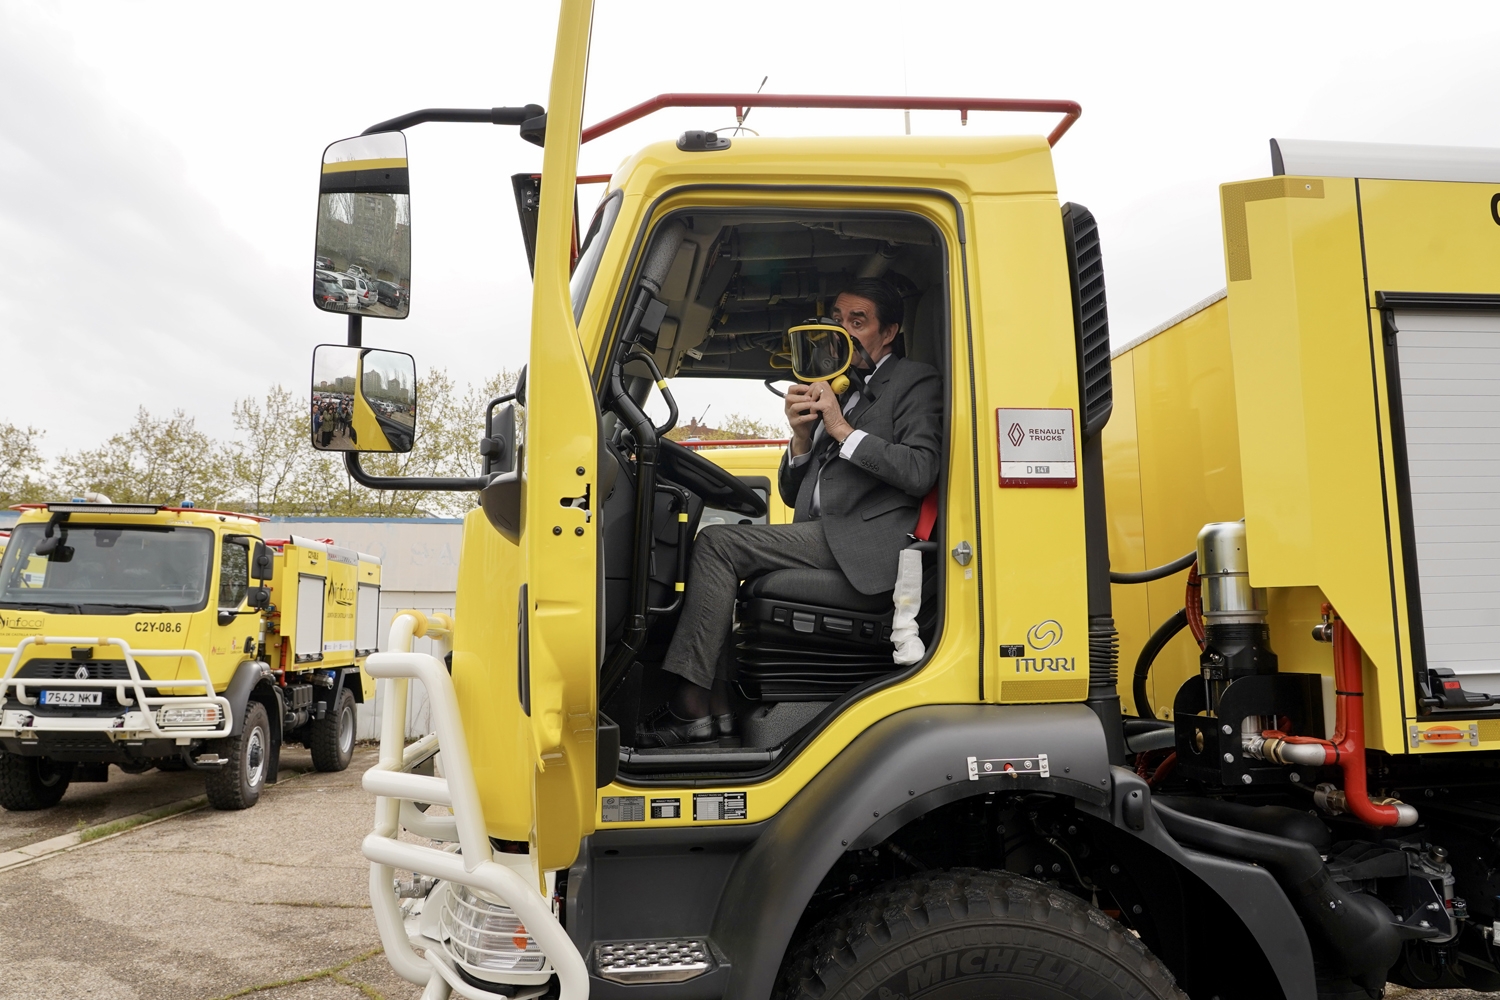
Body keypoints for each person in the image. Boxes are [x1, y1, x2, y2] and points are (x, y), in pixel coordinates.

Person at [635, 276, 943, 747]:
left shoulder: (913, 381)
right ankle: (715, 710)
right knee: (719, 554)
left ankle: (690, 702)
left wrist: (839, 427)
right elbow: (792, 488)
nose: (842, 331)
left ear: (889, 332)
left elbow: (921, 470)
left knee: (720, 543)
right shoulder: (838, 386)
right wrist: (800, 440)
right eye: (837, 319)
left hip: (867, 548)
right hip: (824, 537)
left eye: (857, 322)